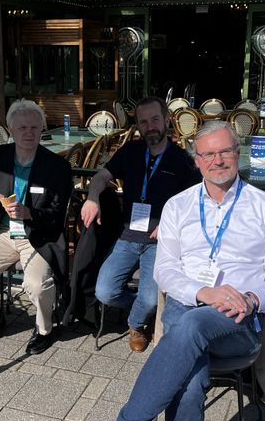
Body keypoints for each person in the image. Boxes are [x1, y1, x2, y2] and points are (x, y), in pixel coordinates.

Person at [63, 121, 265, 421]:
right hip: (189, 305)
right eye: (208, 154)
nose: (218, 160)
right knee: (188, 378)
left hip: (240, 320)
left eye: (225, 151)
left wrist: (251, 298)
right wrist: (205, 291)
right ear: (196, 160)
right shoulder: (178, 206)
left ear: (238, 154)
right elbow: (166, 270)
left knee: (189, 330)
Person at [81, 96, 200, 351]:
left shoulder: (183, 160)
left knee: (148, 297)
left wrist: (171, 225)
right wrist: (92, 198)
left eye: (155, 119)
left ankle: (136, 324)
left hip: (161, 241)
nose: (150, 126)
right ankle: (147, 310)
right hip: (127, 237)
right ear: (138, 126)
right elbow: (102, 175)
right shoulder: (131, 152)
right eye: (144, 122)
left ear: (167, 120)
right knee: (104, 292)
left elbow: (196, 201)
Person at [0, 100, 72, 356]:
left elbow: (57, 214)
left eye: (35, 127)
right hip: (2, 232)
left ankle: (45, 329)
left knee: (37, 285)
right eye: (22, 127)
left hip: (38, 235)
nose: (29, 133)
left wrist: (30, 212)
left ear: (42, 128)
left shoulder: (57, 166)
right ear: (10, 128)